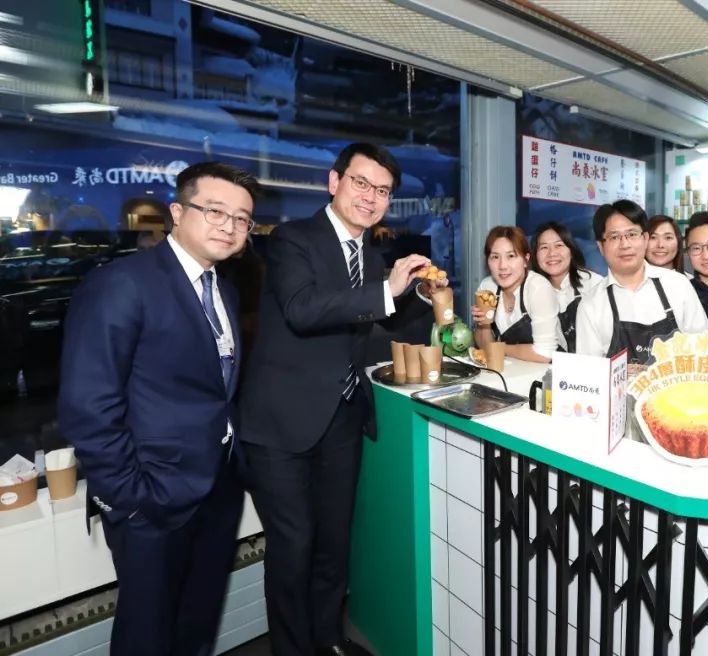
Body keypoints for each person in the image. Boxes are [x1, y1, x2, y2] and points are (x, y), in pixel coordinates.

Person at [239, 142, 446, 655]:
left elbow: (376, 324)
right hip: (282, 425)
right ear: (334, 182)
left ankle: (328, 639)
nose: (371, 197)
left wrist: (419, 296)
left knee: (335, 544)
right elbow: (303, 309)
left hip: (343, 417)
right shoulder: (292, 239)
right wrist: (387, 289)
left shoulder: (370, 255)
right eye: (361, 182)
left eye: (383, 190)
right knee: (293, 548)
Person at [57, 162, 259, 655]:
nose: (229, 226)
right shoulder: (123, 283)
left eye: (241, 218)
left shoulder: (225, 289)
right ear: (177, 212)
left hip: (217, 489)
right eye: (215, 211)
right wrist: (129, 500)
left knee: (197, 625)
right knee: (147, 636)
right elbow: (87, 405)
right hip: (151, 499)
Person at [575, 200, 708, 365]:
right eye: (614, 237)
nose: (625, 244)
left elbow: (705, 350)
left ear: (645, 239)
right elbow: (589, 371)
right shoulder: (591, 305)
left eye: (632, 234)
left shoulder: (678, 285)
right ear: (601, 247)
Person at [473, 225, 560, 362]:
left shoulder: (538, 288)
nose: (502, 266)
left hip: (549, 370)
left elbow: (545, 354)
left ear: (526, 260)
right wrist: (484, 324)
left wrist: (499, 348)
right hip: (509, 370)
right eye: (495, 257)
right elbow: (484, 346)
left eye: (511, 256)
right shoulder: (487, 287)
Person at [530, 221, 604, 352]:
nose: (552, 253)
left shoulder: (594, 284)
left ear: (571, 250)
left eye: (559, 245)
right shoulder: (533, 292)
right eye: (544, 247)